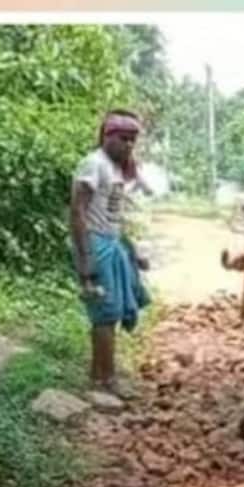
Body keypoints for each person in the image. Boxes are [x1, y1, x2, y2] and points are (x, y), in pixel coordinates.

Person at [70, 110, 153, 398]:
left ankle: (99, 376)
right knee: (104, 315)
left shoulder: (116, 168)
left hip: (112, 243)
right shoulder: (93, 164)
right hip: (95, 244)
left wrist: (131, 250)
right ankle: (107, 381)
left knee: (112, 313)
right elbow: (77, 212)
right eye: (123, 139)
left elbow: (114, 215)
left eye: (133, 140)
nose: (128, 145)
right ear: (108, 137)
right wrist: (85, 260)